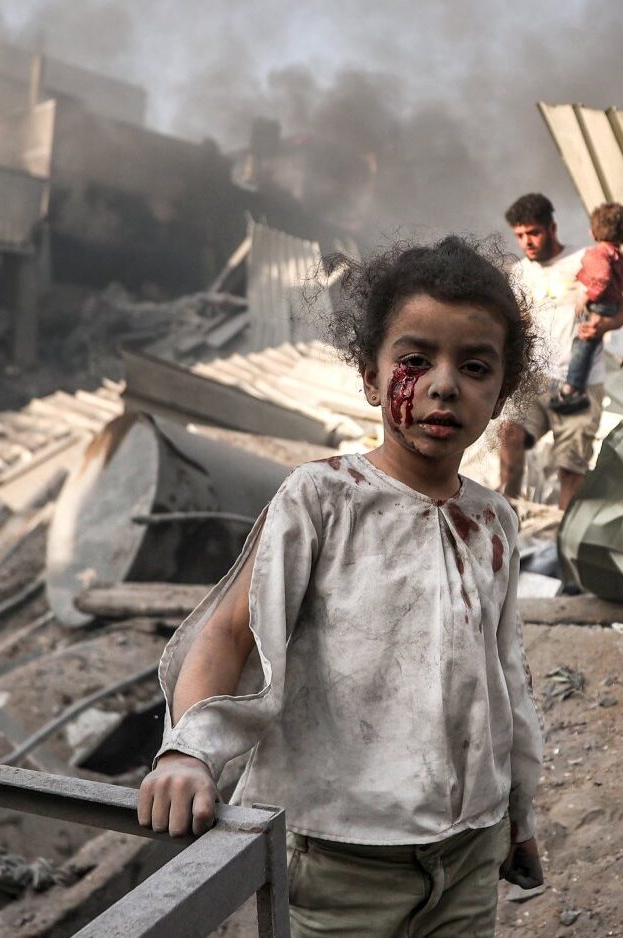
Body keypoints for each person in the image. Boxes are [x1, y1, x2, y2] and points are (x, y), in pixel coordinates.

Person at [137, 237, 545, 937]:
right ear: (370, 377)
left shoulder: (494, 521)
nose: (445, 384)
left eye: (475, 367)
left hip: (469, 856)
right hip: (337, 859)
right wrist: (187, 750)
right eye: (415, 361)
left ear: (500, 393)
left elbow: (504, 675)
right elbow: (231, 633)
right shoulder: (322, 498)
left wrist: (517, 812)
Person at [501, 192, 623, 509]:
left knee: (570, 470)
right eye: (520, 235)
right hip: (534, 381)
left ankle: (562, 532)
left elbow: (622, 309)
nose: (527, 242)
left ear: (552, 228)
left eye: (533, 232)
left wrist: (604, 325)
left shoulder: (584, 259)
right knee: (510, 437)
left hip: (579, 384)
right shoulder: (518, 273)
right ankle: (506, 515)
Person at [551, 203, 623, 414]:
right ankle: (576, 387)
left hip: (597, 305)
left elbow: (601, 278)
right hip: (611, 305)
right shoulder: (621, 258)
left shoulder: (597, 253)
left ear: (593, 232)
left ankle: (571, 389)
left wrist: (586, 297)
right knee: (587, 346)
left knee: (582, 345)